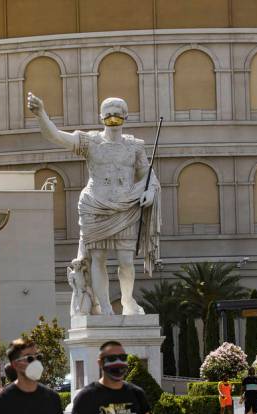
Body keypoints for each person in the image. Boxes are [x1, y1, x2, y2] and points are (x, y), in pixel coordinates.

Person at [28, 93, 160, 316]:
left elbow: (148, 175)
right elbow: (57, 137)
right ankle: (105, 308)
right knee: (97, 257)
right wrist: (41, 114)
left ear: (126, 116)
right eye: (108, 114)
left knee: (126, 261)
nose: (113, 118)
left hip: (126, 206)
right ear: (101, 117)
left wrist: (149, 191)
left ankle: (128, 301)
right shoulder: (90, 142)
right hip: (94, 205)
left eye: (118, 114)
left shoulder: (135, 146)